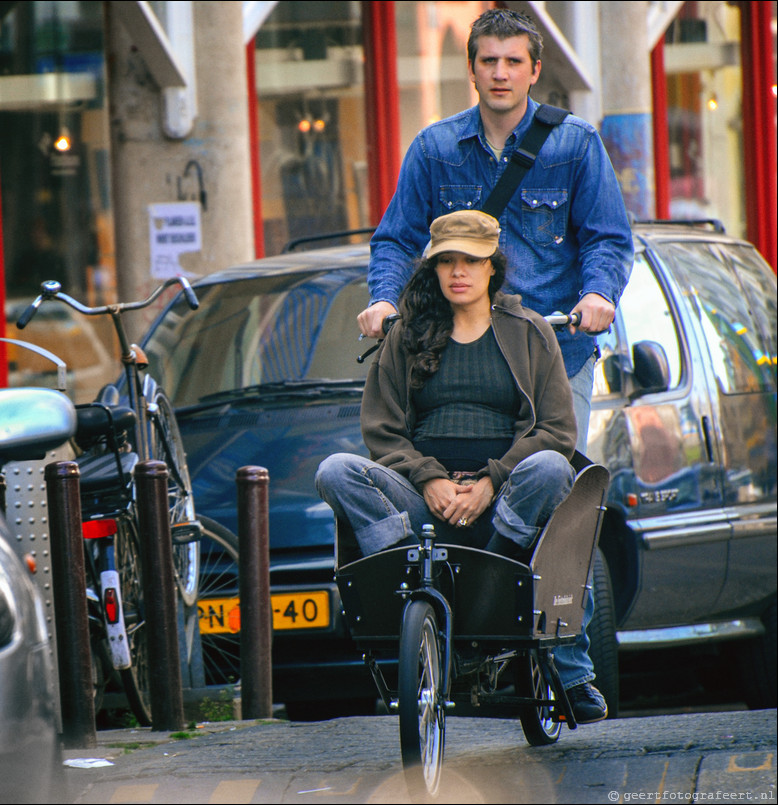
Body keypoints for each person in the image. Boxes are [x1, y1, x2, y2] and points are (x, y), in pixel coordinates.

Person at [317, 209, 608, 724]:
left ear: (492, 267)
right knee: (336, 471)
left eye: (470, 261)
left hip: (503, 504)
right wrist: (428, 477)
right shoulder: (407, 335)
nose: (458, 272)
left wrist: (490, 482)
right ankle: (411, 584)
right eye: (447, 261)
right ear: (433, 269)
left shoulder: (529, 331)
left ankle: (491, 577)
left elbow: (557, 430)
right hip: (424, 503)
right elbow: (382, 430)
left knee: (549, 466)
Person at [357, 7, 633, 455]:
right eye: (488, 61)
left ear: (534, 70)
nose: (500, 73)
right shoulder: (435, 148)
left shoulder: (575, 143)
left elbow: (609, 238)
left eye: (513, 62)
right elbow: (396, 240)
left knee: (551, 482)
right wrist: (383, 298)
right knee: (437, 492)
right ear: (471, 69)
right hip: (458, 358)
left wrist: (598, 294)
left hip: (555, 352)